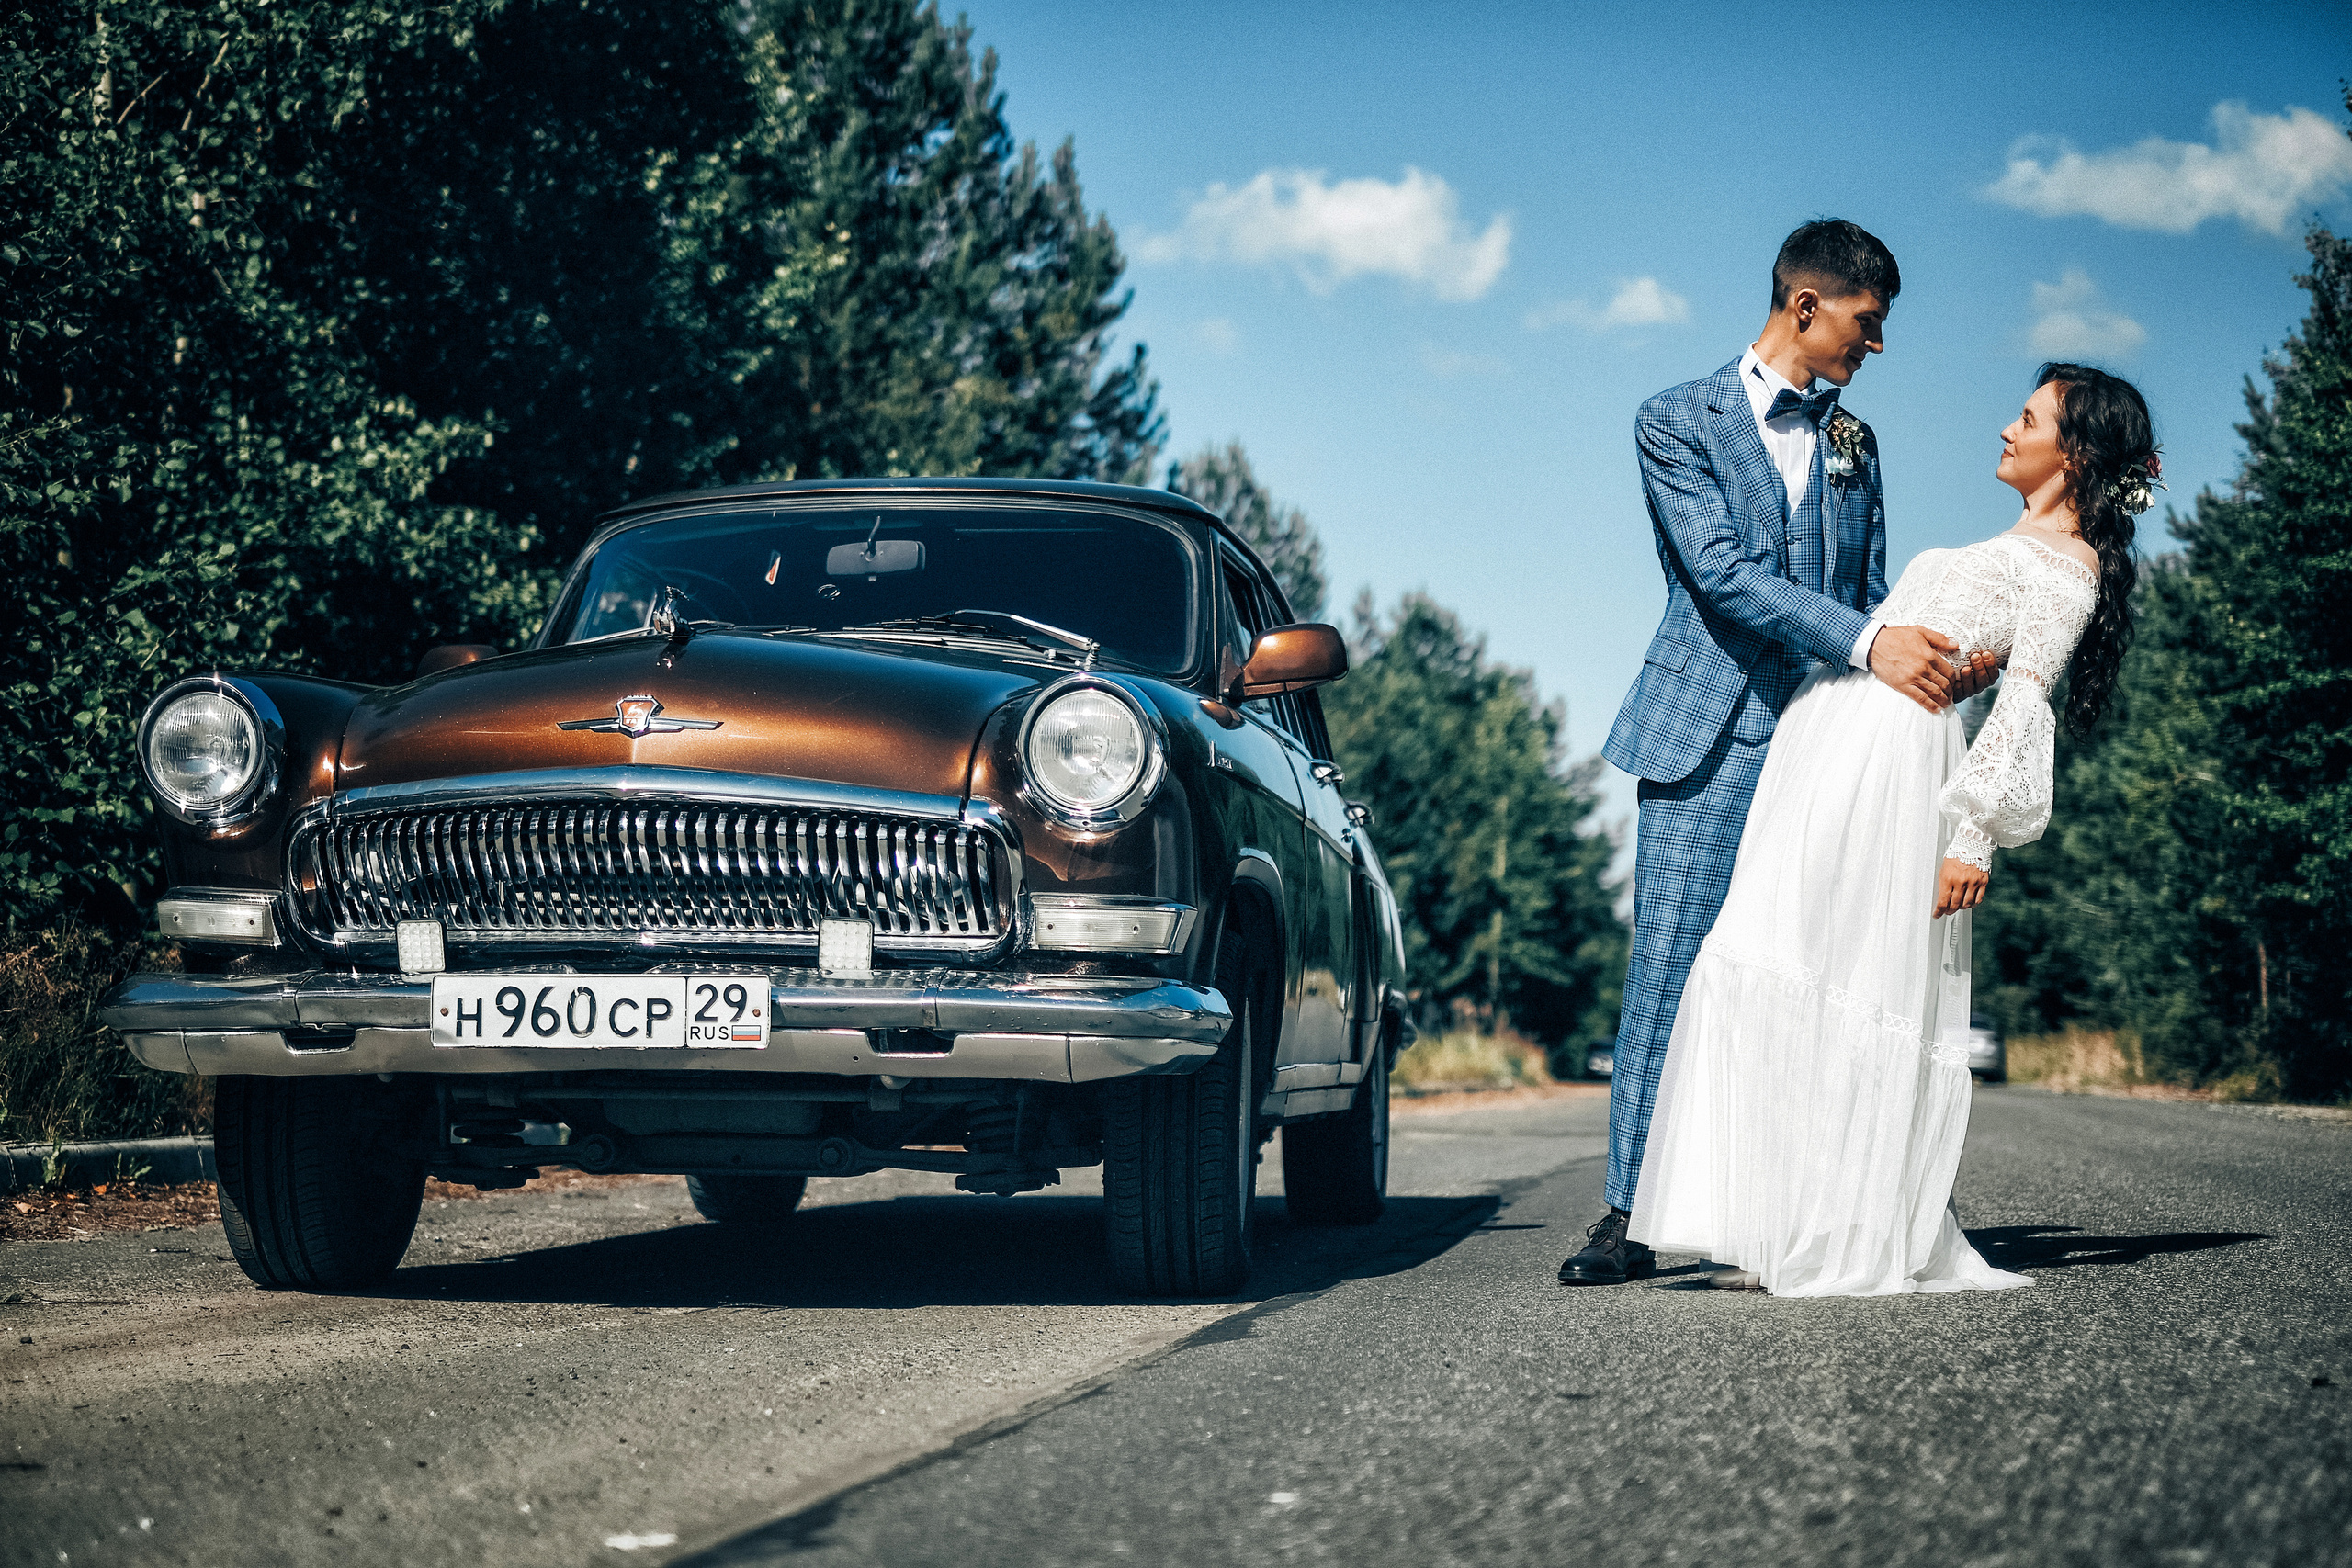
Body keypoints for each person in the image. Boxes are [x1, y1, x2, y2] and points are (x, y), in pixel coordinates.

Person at [1627, 362, 2154, 1295]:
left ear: (2072, 454)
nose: (2005, 428)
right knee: (1780, 954)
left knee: (1850, 977)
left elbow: (2026, 703)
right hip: (1826, 740)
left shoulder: (2068, 569)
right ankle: (1784, 1216)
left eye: (2025, 418)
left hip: (1893, 761)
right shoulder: (2012, 540)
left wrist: (1971, 839)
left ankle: (1846, 1227)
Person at [1560, 219, 1998, 1288]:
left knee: (1822, 969)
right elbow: (1716, 570)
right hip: (1706, 731)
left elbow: (1873, 587)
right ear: (1806, 304)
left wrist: (1934, 649)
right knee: (1670, 966)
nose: (1875, 346)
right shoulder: (1673, 418)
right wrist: (1867, 642)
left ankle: (1825, 1198)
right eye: (1868, 321)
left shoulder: (1860, 442)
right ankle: (1629, 1211)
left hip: (1831, 741)